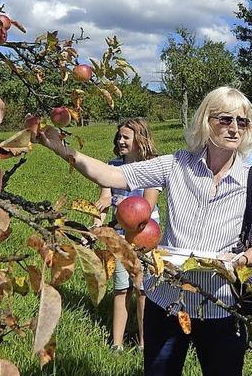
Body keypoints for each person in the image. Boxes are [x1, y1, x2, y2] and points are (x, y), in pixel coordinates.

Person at [39, 86, 252, 376]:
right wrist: (57, 145)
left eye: (243, 121)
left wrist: (240, 261)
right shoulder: (177, 164)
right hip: (166, 299)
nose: (235, 128)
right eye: (226, 119)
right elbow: (113, 175)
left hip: (220, 303)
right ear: (206, 121)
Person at [92, 118, 161, 353]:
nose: (120, 141)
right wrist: (96, 228)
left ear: (140, 140)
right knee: (121, 288)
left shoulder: (153, 168)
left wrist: (124, 203)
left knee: (143, 290)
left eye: (126, 137)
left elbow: (147, 208)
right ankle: (117, 343)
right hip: (120, 235)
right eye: (118, 137)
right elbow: (102, 201)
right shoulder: (111, 167)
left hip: (145, 236)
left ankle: (144, 343)